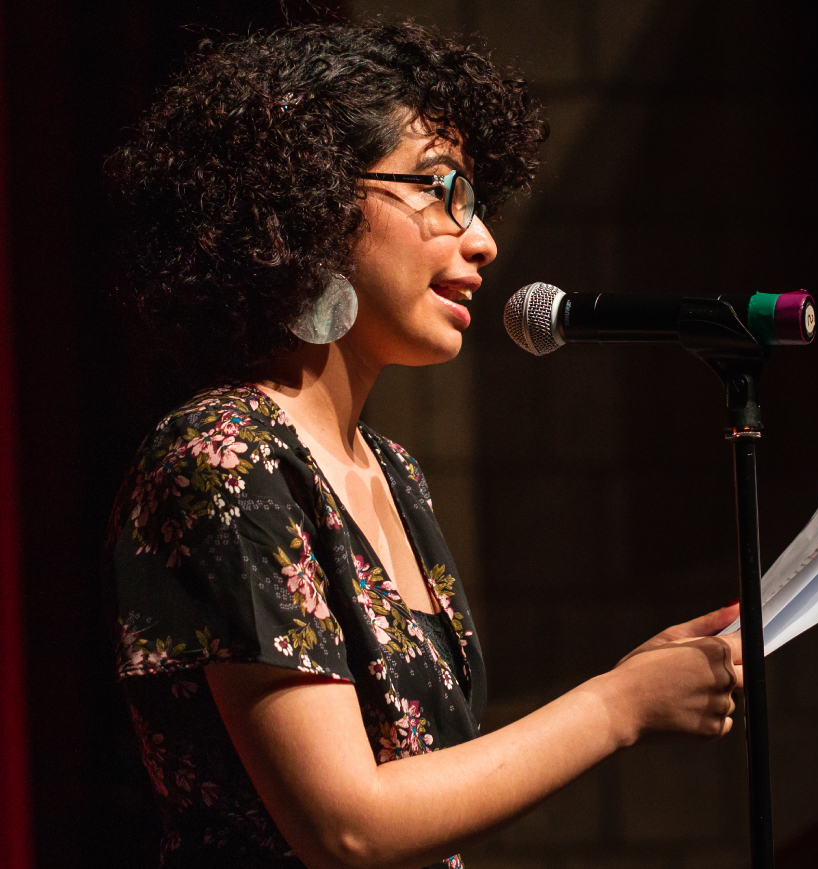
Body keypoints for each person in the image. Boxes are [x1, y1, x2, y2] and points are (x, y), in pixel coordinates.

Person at [105, 22, 743, 869]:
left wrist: (635, 678)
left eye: (475, 200)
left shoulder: (394, 472)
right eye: (440, 189)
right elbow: (349, 826)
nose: (479, 239)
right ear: (313, 200)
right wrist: (616, 705)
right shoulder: (223, 456)